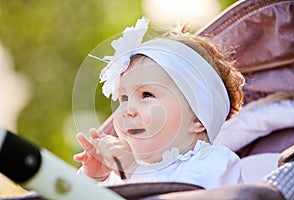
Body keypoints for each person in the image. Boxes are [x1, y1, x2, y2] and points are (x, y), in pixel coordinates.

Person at [73, 16, 245, 189]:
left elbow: (186, 193)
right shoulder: (118, 173)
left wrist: (134, 170)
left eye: (147, 94)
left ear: (197, 119)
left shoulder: (213, 162)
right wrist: (92, 180)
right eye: (123, 98)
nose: (126, 110)